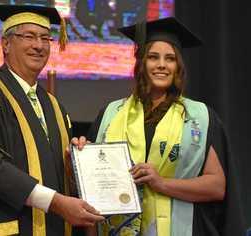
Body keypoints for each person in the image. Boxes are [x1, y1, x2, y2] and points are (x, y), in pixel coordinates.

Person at [0, 4, 103, 236]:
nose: (38, 46)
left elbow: (60, 178)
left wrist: (78, 164)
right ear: (6, 43)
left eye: (44, 38)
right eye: (28, 36)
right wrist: (56, 202)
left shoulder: (54, 106)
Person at [87, 17, 244, 236]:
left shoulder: (199, 117)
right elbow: (92, 186)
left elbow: (217, 187)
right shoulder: (111, 115)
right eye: (153, 57)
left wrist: (162, 184)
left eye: (170, 58)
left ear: (178, 66)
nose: (162, 64)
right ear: (141, 63)